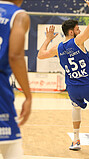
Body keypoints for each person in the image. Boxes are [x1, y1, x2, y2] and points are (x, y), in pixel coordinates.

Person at [37, 0, 89, 150]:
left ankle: (76, 140)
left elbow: (41, 55)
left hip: (72, 87)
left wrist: (48, 39)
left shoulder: (58, 48)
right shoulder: (77, 41)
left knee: (76, 108)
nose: (80, 31)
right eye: (77, 29)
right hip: (88, 85)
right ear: (71, 32)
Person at [0, 0, 32, 158]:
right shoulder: (18, 15)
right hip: (1, 90)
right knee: (12, 149)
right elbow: (15, 55)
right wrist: (28, 95)